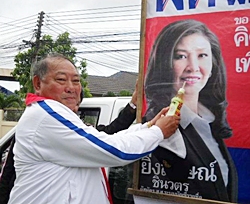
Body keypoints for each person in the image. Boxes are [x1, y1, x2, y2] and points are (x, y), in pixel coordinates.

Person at [7, 53, 180, 204]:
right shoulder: (46, 114)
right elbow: (114, 150)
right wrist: (158, 132)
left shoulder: (49, 116)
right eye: (61, 79)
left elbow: (103, 137)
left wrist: (149, 126)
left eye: (76, 81)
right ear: (38, 83)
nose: (71, 88)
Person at [139, 19, 238, 203]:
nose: (193, 67)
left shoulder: (211, 123)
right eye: (181, 56)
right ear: (164, 63)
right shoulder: (155, 129)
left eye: (202, 55)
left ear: (213, 64)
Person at [0, 85, 137, 204]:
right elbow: (7, 174)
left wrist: (133, 105)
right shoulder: (36, 131)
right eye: (68, 104)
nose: (73, 109)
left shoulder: (83, 133)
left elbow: (111, 132)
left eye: (77, 105)